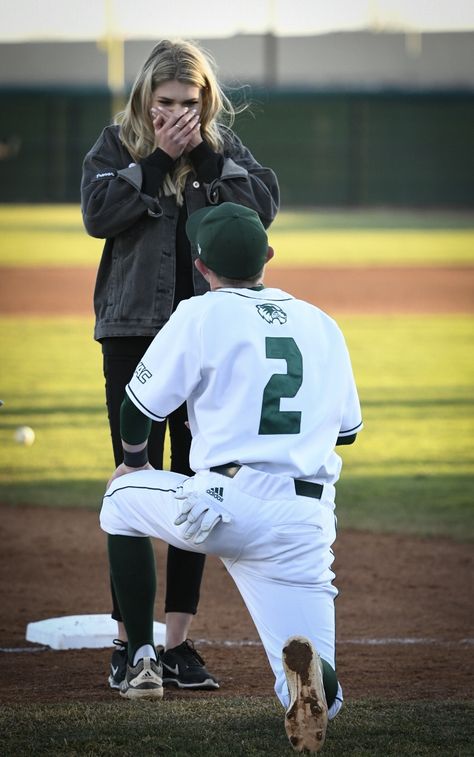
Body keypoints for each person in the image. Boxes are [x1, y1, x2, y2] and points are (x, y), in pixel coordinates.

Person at [100, 202, 363, 753]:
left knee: (122, 497)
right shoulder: (323, 324)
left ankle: (141, 657)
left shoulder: (200, 313)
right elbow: (346, 433)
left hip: (223, 503)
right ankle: (318, 686)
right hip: (304, 521)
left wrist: (135, 460)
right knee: (321, 697)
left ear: (200, 267)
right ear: (268, 256)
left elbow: (139, 408)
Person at [81, 39, 279, 691]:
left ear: (205, 102)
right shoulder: (117, 146)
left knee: (203, 481)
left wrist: (205, 158)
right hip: (132, 333)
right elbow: (97, 213)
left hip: (209, 339)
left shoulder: (218, 153)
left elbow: (263, 209)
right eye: (163, 103)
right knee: (135, 478)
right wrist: (155, 159)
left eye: (188, 104)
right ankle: (127, 643)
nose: (175, 114)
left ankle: (176, 644)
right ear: (146, 100)